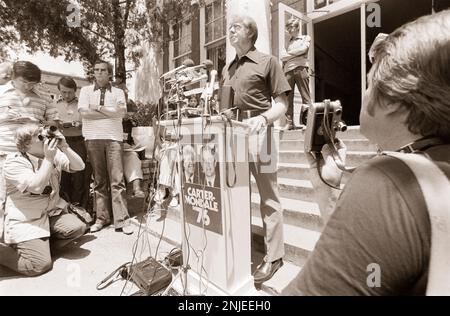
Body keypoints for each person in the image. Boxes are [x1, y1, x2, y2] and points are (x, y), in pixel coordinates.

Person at [283, 10, 450, 295]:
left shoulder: (389, 182)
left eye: (371, 82)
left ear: (395, 101)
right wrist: (329, 193)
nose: (363, 91)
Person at [222, 15, 291, 284]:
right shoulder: (228, 67)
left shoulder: (268, 61)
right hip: (233, 135)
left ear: (251, 33)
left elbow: (282, 104)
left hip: (262, 133)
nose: (230, 30)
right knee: (236, 195)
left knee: (268, 197)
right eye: (230, 27)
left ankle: (274, 256)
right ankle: (238, 248)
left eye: (236, 27)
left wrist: (263, 119)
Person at [0, 123, 87, 276]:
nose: (46, 139)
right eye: (40, 137)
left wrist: (65, 147)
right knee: (39, 265)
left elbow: (79, 166)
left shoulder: (52, 154)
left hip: (49, 213)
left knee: (77, 227)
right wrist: (48, 158)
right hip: (27, 219)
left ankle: (39, 248)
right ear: (27, 145)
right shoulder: (14, 162)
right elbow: (37, 187)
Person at [0, 61, 59, 242]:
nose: (27, 86)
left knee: (32, 197)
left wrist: (36, 123)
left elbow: (54, 123)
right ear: (13, 77)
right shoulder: (1, 93)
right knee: (2, 198)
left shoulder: (43, 96)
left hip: (32, 156)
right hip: (4, 152)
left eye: (31, 83)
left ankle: (34, 238)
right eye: (23, 82)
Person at [78, 60, 133, 235]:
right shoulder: (85, 91)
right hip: (93, 139)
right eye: (96, 70)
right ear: (93, 72)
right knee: (99, 181)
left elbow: (120, 113)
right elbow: (84, 113)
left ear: (109, 73)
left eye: (103, 70)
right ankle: (102, 218)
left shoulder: (118, 92)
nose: (100, 72)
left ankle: (122, 220)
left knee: (117, 180)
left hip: (113, 139)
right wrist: (108, 112)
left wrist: (98, 108)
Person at [55, 76, 91, 209]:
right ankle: (64, 206)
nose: (66, 95)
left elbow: (89, 122)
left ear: (75, 91)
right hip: (62, 142)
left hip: (79, 142)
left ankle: (79, 207)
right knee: (62, 174)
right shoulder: (56, 104)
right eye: (63, 92)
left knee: (79, 176)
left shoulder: (81, 104)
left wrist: (80, 124)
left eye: (69, 92)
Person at [281, 17, 311, 130]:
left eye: (290, 27)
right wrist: (296, 54)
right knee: (288, 98)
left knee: (305, 96)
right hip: (288, 71)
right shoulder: (287, 42)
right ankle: (289, 123)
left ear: (297, 27)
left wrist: (289, 54)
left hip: (301, 69)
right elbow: (282, 56)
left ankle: (307, 122)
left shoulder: (306, 38)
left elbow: (303, 50)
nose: (288, 29)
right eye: (287, 27)